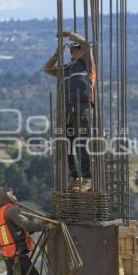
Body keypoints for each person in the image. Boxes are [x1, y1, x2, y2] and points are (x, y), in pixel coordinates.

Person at [42, 30, 96, 192]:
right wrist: (57, 55)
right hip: (68, 109)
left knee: (82, 142)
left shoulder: (87, 64)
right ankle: (75, 176)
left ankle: (87, 177)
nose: (76, 50)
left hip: (82, 106)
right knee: (68, 143)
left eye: (77, 48)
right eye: (73, 48)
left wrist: (69, 34)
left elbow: (87, 44)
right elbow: (46, 68)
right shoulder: (65, 69)